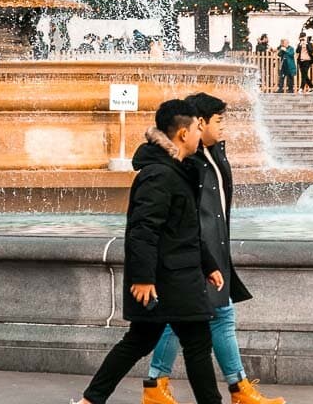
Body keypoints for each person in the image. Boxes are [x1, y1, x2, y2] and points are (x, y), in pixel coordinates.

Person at [73, 99, 224, 404]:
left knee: (141, 339)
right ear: (182, 133)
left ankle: (92, 399)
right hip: (170, 276)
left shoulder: (178, 170)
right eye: (197, 127)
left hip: (177, 272)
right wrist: (143, 278)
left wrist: (208, 264)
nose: (200, 133)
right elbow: (142, 230)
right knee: (195, 343)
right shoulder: (160, 175)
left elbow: (186, 226)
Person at [145, 92, 284, 404]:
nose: (224, 128)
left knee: (215, 316)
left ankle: (232, 388)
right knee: (200, 317)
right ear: (199, 123)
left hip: (215, 251)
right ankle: (161, 383)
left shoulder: (214, 154)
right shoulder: (186, 161)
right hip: (195, 255)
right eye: (218, 121)